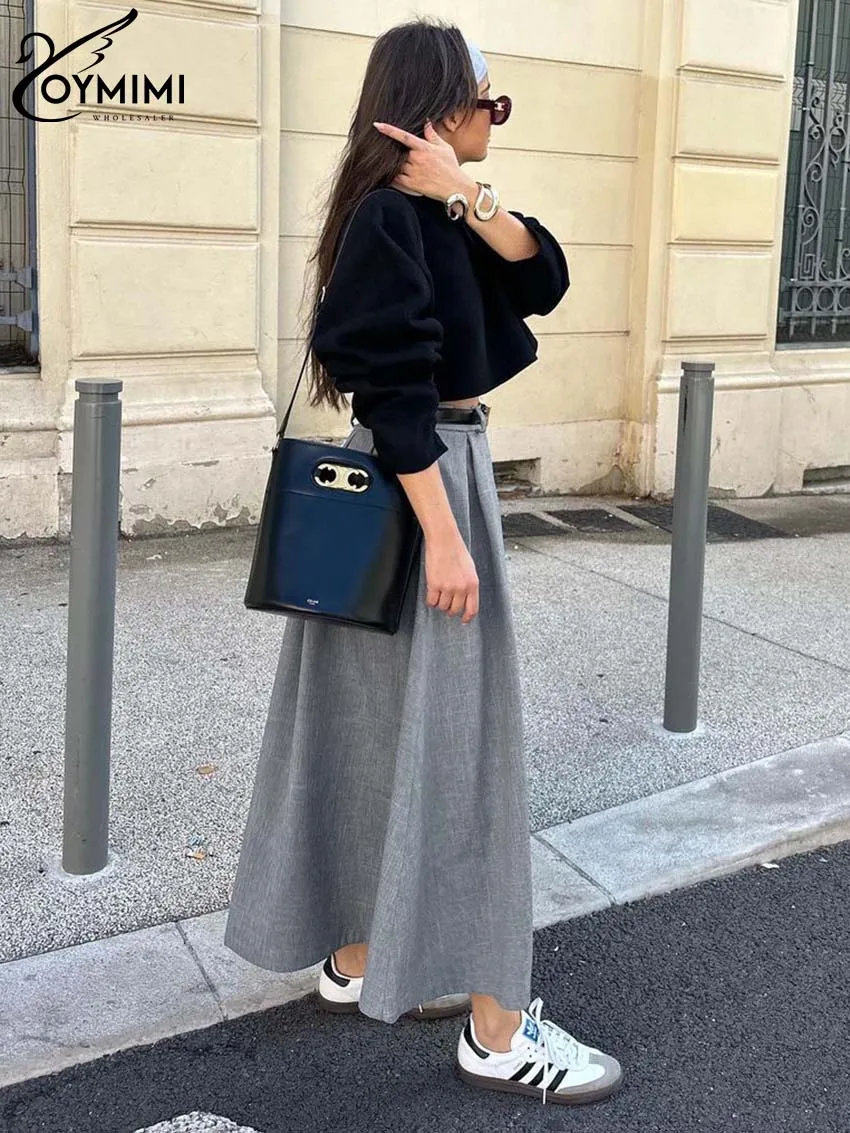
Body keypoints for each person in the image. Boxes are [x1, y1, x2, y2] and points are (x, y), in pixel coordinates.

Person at [224, 17, 623, 1108]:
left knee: (372, 728)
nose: (497, 118)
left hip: (419, 479)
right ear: (441, 106)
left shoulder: (437, 212)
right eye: (489, 102)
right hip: (422, 482)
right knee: (466, 745)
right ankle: (497, 1029)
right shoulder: (384, 222)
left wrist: (466, 191)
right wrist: (445, 535)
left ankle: (359, 957)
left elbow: (542, 278)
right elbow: (391, 387)